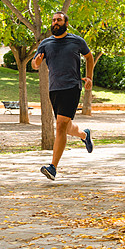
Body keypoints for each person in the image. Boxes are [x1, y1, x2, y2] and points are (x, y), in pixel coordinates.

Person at [32, 11, 94, 180]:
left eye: (59, 20)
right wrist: (37, 62)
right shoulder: (46, 43)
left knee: (60, 126)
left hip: (72, 87)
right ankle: (84, 134)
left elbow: (89, 57)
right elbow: (34, 63)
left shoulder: (76, 41)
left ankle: (53, 167)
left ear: (66, 23)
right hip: (54, 89)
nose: (55, 23)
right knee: (65, 126)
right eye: (53, 20)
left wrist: (89, 77)